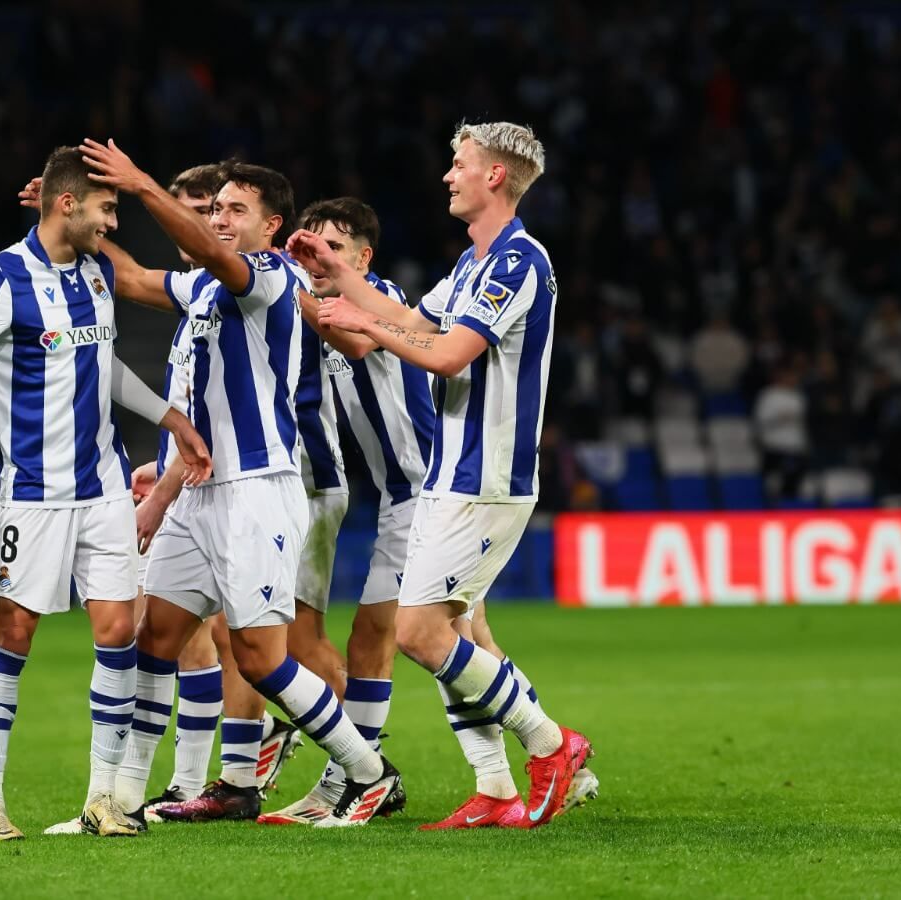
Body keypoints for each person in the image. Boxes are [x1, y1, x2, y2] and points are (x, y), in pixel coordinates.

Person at [0, 146, 210, 842]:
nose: (114, 220)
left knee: (119, 630)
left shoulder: (94, 273)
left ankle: (102, 800)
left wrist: (168, 414)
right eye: (107, 206)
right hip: (32, 495)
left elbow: (104, 364)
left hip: (104, 490)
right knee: (13, 633)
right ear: (67, 204)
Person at [79, 138, 403, 830]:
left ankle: (371, 774)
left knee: (260, 658)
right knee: (154, 639)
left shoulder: (269, 277)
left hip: (258, 489)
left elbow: (217, 256)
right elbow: (133, 279)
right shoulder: (201, 286)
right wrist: (76, 228)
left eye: (236, 209)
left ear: (271, 227)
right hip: (198, 491)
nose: (221, 218)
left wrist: (140, 185)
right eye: (216, 208)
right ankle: (122, 802)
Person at [297, 121, 593, 829]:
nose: (447, 176)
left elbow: (447, 353)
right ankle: (494, 790)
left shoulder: (519, 261)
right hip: (451, 472)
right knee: (452, 632)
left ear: (495, 175)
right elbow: (415, 320)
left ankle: (552, 744)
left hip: (488, 475)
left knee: (420, 633)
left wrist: (366, 328)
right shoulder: (472, 264)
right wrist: (342, 280)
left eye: (459, 164)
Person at [255, 197, 430, 824]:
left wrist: (279, 269)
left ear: (362, 256)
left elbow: (354, 343)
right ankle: (544, 751)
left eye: (332, 248)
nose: (319, 258)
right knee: (449, 643)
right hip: (399, 497)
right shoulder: (323, 305)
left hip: (427, 493)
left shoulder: (373, 299)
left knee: (378, 639)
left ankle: (354, 778)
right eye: (313, 246)